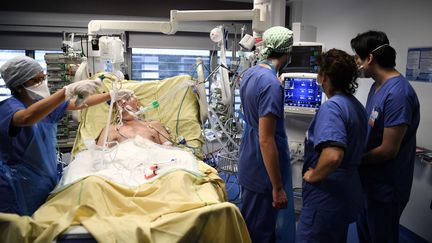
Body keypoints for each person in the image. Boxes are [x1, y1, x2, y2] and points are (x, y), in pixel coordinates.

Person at [0, 56, 125, 216]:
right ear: (18, 86)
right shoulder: (9, 108)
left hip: (45, 179)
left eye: (43, 78)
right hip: (18, 186)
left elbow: (77, 104)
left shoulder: (43, 106)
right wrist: (66, 91)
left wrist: (110, 95)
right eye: (35, 80)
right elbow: (26, 118)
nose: (41, 84)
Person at [351, 31, 420, 243]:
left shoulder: (398, 94)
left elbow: (389, 150)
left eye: (357, 57)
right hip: (369, 183)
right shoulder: (376, 86)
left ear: (369, 59)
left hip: (387, 188)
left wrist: (353, 159)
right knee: (365, 234)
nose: (356, 62)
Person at [296, 49, 368, 242]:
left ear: (325, 77)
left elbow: (333, 156)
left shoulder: (332, 108)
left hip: (326, 196)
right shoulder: (355, 106)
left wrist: (313, 175)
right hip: (345, 194)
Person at [238, 26, 295, 243]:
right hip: (263, 168)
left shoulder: (251, 73)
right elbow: (266, 139)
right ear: (287, 52)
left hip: (248, 158)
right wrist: (278, 187)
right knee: (261, 231)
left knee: (252, 223)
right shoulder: (271, 83)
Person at [97, 89, 172, 147]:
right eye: (118, 101)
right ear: (116, 108)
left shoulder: (154, 125)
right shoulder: (110, 129)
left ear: (137, 104)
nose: (123, 102)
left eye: (127, 98)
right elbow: (99, 156)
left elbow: (170, 151)